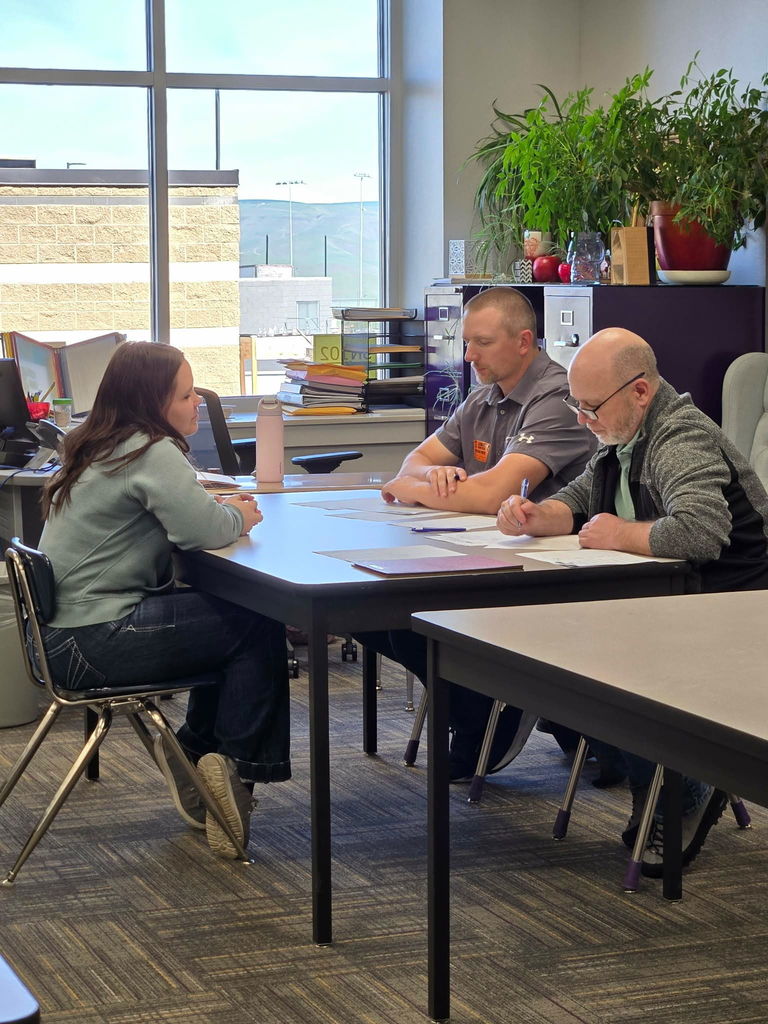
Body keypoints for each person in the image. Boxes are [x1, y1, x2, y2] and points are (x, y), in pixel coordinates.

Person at [497, 327, 768, 876]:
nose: (582, 420)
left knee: (609, 663)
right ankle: (667, 780)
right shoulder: (620, 433)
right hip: (669, 600)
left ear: (640, 391)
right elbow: (584, 497)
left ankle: (683, 787)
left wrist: (619, 533)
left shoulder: (680, 438)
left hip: (733, 607)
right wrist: (540, 515)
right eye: (576, 405)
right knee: (557, 650)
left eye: (590, 407)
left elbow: (701, 532)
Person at [37, 341, 291, 860]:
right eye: (185, 394)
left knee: (227, 623)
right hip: (94, 639)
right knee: (258, 621)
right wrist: (240, 514)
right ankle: (232, 774)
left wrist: (212, 509)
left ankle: (196, 755)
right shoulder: (149, 450)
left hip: (56, 638)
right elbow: (203, 530)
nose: (197, 401)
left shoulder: (100, 444)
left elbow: (179, 514)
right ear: (153, 402)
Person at [358, 286, 596, 781]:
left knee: (411, 619)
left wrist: (414, 489)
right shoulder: (484, 395)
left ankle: (498, 710)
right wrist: (430, 477)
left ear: (524, 342)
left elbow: (492, 495)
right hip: (484, 555)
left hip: (553, 571)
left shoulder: (558, 397)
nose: (469, 356)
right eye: (467, 342)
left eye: (482, 343)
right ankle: (484, 711)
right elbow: (414, 461)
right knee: (383, 617)